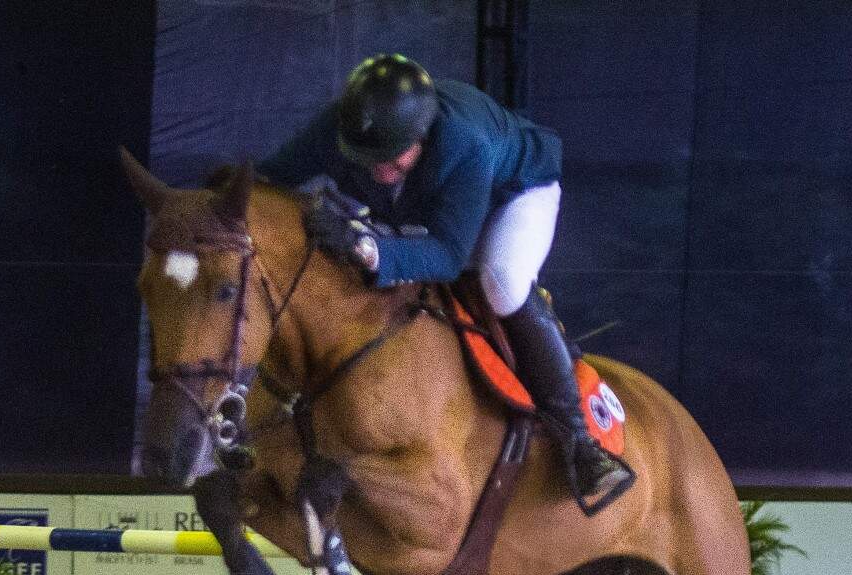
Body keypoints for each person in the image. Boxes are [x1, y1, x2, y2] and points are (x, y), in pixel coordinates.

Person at [257, 53, 631, 508]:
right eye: (367, 158)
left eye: (392, 157)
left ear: (423, 134)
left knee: (502, 282)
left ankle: (580, 443)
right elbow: (269, 177)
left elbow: (449, 256)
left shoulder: (464, 141)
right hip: (432, 209)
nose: (378, 171)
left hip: (513, 194)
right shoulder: (349, 129)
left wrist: (368, 248)